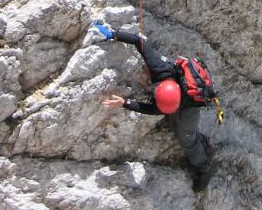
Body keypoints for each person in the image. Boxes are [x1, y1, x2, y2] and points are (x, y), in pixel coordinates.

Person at [92, 22, 216, 191]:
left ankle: (203, 168)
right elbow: (138, 40)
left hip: (189, 108)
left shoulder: (179, 103)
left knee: (186, 139)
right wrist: (112, 34)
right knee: (176, 126)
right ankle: (203, 144)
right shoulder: (159, 67)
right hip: (179, 99)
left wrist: (126, 103)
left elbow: (150, 109)